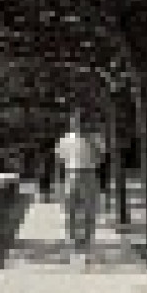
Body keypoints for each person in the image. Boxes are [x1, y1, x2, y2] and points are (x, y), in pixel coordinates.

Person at [56, 111, 103, 267]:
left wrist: (92, 144)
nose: (78, 124)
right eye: (75, 121)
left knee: (90, 212)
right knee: (70, 212)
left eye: (81, 121)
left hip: (89, 173)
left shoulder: (96, 138)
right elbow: (59, 160)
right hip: (71, 174)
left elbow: (100, 159)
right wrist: (59, 183)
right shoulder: (65, 139)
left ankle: (88, 246)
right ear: (71, 123)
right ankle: (73, 247)